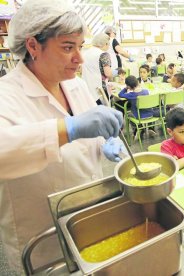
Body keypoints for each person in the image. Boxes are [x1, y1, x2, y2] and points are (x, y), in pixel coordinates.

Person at [0, 0, 124, 272]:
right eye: (68, 47)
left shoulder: (75, 85)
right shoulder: (6, 95)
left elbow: (92, 126)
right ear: (33, 46)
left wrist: (106, 141)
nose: (79, 58)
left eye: (80, 47)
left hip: (86, 215)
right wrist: (68, 128)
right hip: (41, 235)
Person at [81, 33, 112, 104]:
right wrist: (114, 73)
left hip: (86, 86)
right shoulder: (103, 54)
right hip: (100, 89)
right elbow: (108, 73)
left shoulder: (85, 53)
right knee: (104, 111)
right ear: (106, 43)